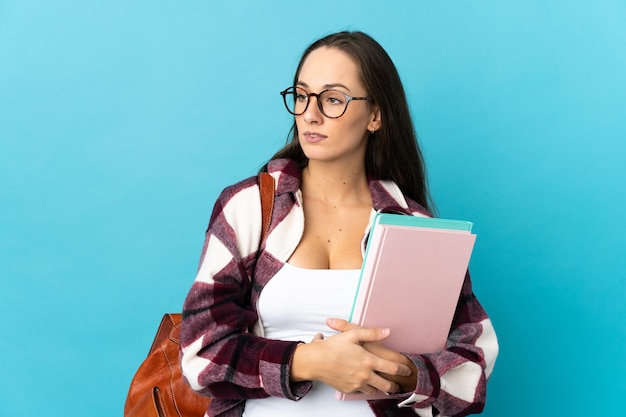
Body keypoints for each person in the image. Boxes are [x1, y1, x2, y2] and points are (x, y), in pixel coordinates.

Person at [180, 31, 498, 417]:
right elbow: (200, 352)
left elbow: (472, 364)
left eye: (333, 99)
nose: (310, 114)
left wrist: (404, 375)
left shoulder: (413, 226)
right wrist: (309, 362)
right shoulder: (249, 208)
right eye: (301, 96)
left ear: (376, 116)